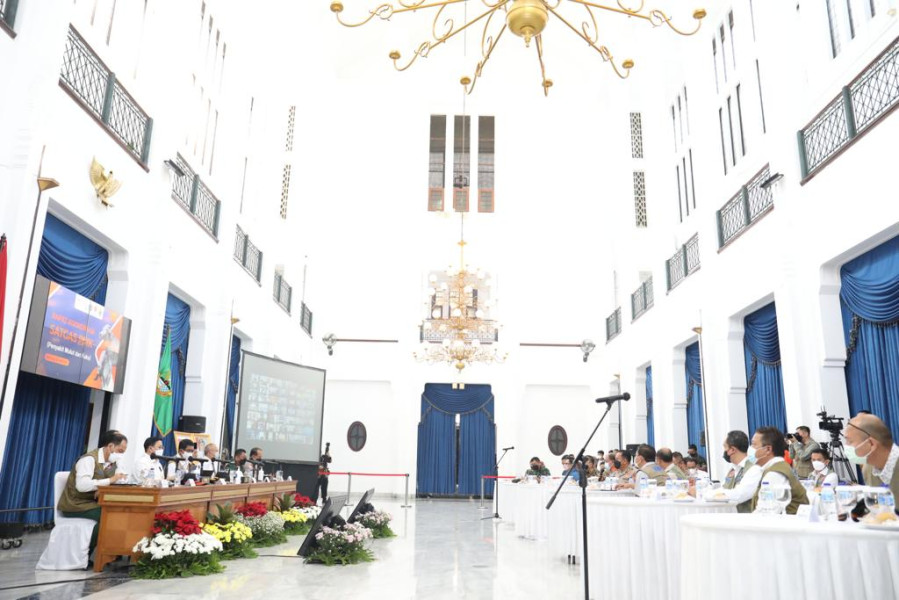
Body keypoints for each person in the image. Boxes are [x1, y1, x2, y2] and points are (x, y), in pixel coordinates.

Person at [58, 430, 128, 561]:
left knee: (118, 513)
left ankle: (112, 552)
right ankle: (83, 556)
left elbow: (118, 478)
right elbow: (82, 485)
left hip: (93, 502)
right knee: (108, 516)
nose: (121, 455)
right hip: (75, 504)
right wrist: (108, 482)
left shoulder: (112, 463)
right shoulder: (89, 459)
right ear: (110, 446)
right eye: (120, 451)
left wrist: (110, 483)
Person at [749, 426, 809, 514]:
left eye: (754, 444)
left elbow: (766, 512)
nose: (750, 448)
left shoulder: (775, 474)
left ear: (768, 449)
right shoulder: (776, 467)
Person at [700, 430, 761, 512]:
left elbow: (740, 494)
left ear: (732, 450)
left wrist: (709, 494)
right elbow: (723, 488)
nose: (724, 451)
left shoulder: (753, 469)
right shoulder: (733, 469)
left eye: (725, 447)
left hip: (747, 519)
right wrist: (704, 492)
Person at [843, 413, 899, 500]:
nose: (846, 446)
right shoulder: (868, 469)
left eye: (849, 441)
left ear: (871, 444)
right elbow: (876, 507)